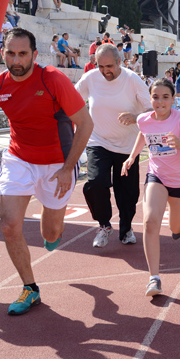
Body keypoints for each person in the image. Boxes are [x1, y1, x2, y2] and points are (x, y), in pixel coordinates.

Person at [0, 28, 93, 315]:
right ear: (2, 53)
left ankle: (52, 225)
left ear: (34, 54)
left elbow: (85, 123)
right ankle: (30, 288)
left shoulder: (52, 79)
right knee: (9, 225)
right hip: (19, 159)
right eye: (10, 53)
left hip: (58, 164)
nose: (16, 60)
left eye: (22, 54)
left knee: (51, 233)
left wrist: (68, 168)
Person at [121, 78, 180, 297]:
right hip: (157, 176)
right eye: (155, 97)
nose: (160, 102)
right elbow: (143, 133)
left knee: (176, 228)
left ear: (173, 99)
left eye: (165, 97)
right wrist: (132, 156)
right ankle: (154, 278)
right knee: (150, 222)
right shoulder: (144, 119)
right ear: (150, 99)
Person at [76, 43, 152, 249]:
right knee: (95, 183)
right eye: (100, 66)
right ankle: (104, 225)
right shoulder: (91, 78)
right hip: (98, 141)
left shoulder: (133, 80)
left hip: (127, 147)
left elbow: (152, 110)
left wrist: (136, 117)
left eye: (109, 66)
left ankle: (126, 229)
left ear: (119, 62)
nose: (104, 71)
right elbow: (73, 100)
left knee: (127, 195)